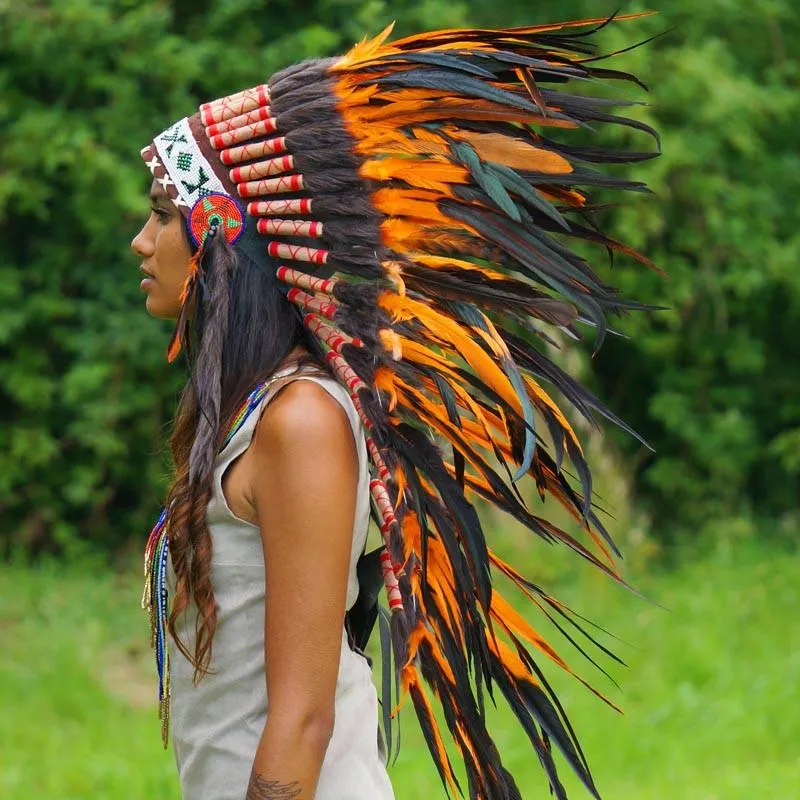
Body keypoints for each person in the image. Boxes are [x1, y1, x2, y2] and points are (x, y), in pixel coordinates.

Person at [134, 15, 659, 800]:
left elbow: (304, 718)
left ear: (222, 235)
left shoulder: (301, 421)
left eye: (162, 212)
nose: (143, 241)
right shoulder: (255, 415)